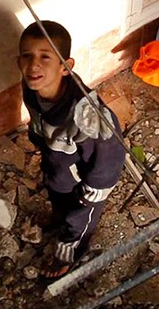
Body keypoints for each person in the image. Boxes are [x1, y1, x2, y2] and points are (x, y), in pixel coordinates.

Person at [17, 21, 126, 279]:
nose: (34, 65)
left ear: (66, 67)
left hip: (86, 183)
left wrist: (91, 195)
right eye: (27, 56)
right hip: (59, 169)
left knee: (78, 221)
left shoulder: (88, 119)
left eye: (45, 57)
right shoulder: (31, 89)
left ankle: (69, 254)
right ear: (18, 61)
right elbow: (36, 122)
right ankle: (59, 220)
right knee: (58, 200)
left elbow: (110, 156)